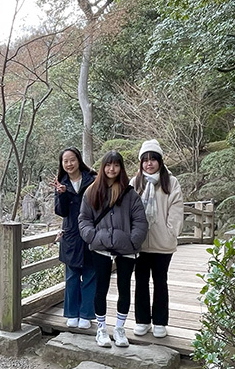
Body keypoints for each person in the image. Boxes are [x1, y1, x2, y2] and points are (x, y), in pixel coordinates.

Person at [78, 150, 147, 348]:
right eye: (108, 165)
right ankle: (101, 329)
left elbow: (140, 221)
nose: (112, 169)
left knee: (124, 288)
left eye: (116, 165)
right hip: (100, 248)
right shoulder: (92, 191)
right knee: (101, 288)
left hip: (126, 249)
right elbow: (84, 220)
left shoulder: (130, 193)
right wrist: (94, 237)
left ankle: (119, 328)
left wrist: (132, 241)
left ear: (121, 168)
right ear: (103, 167)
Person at [130, 139, 183, 338]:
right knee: (141, 281)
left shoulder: (171, 181)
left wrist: (171, 232)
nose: (149, 164)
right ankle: (142, 320)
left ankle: (160, 321)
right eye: (145, 160)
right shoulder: (135, 182)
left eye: (153, 159)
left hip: (163, 243)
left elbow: (176, 211)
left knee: (160, 281)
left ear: (160, 161)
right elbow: (126, 210)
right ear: (141, 162)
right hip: (140, 244)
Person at [53, 147, 97, 329]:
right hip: (71, 234)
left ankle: (86, 314)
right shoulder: (61, 183)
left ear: (78, 160)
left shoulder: (93, 180)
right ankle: (72, 313)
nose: (69, 164)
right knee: (72, 276)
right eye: (65, 161)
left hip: (90, 234)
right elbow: (60, 211)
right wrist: (62, 194)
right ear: (62, 164)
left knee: (90, 275)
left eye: (72, 160)